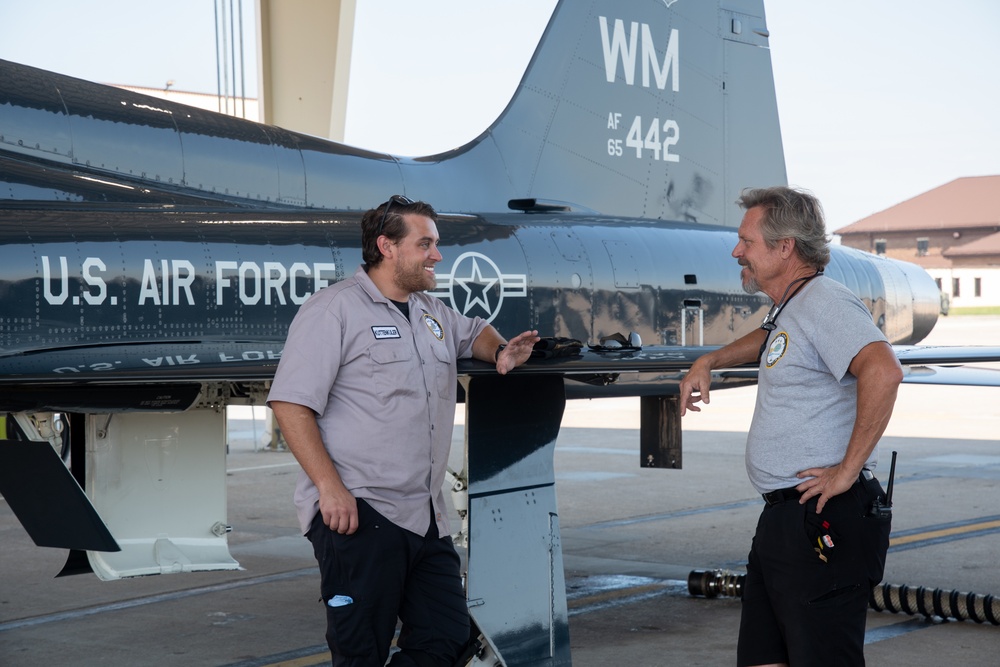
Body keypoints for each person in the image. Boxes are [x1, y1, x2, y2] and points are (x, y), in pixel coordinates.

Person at [267, 195, 539, 666]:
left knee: (449, 639)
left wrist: (500, 351)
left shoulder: (431, 312)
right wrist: (330, 489)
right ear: (386, 247)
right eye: (426, 244)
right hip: (359, 512)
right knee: (360, 651)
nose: (437, 255)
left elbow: (474, 330)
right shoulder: (333, 310)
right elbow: (290, 404)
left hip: (426, 517)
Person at [678, 186, 902, 667]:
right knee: (763, 658)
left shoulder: (826, 302)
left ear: (785, 248)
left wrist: (846, 470)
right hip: (784, 521)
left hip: (824, 515)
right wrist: (710, 359)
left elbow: (884, 371)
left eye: (747, 242)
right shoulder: (792, 307)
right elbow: (767, 339)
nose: (737, 251)